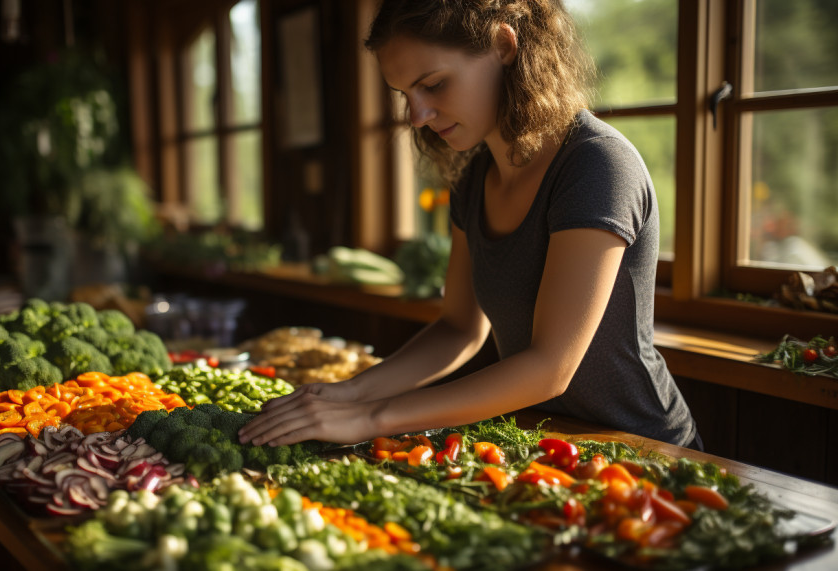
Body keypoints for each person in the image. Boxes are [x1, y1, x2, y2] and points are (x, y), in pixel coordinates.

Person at [239, 0, 701, 450]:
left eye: (433, 85)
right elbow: (459, 328)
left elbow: (550, 368)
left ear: (503, 45)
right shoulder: (473, 178)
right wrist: (349, 393)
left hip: (647, 446)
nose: (416, 116)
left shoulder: (597, 165)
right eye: (405, 95)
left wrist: (369, 418)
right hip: (552, 442)